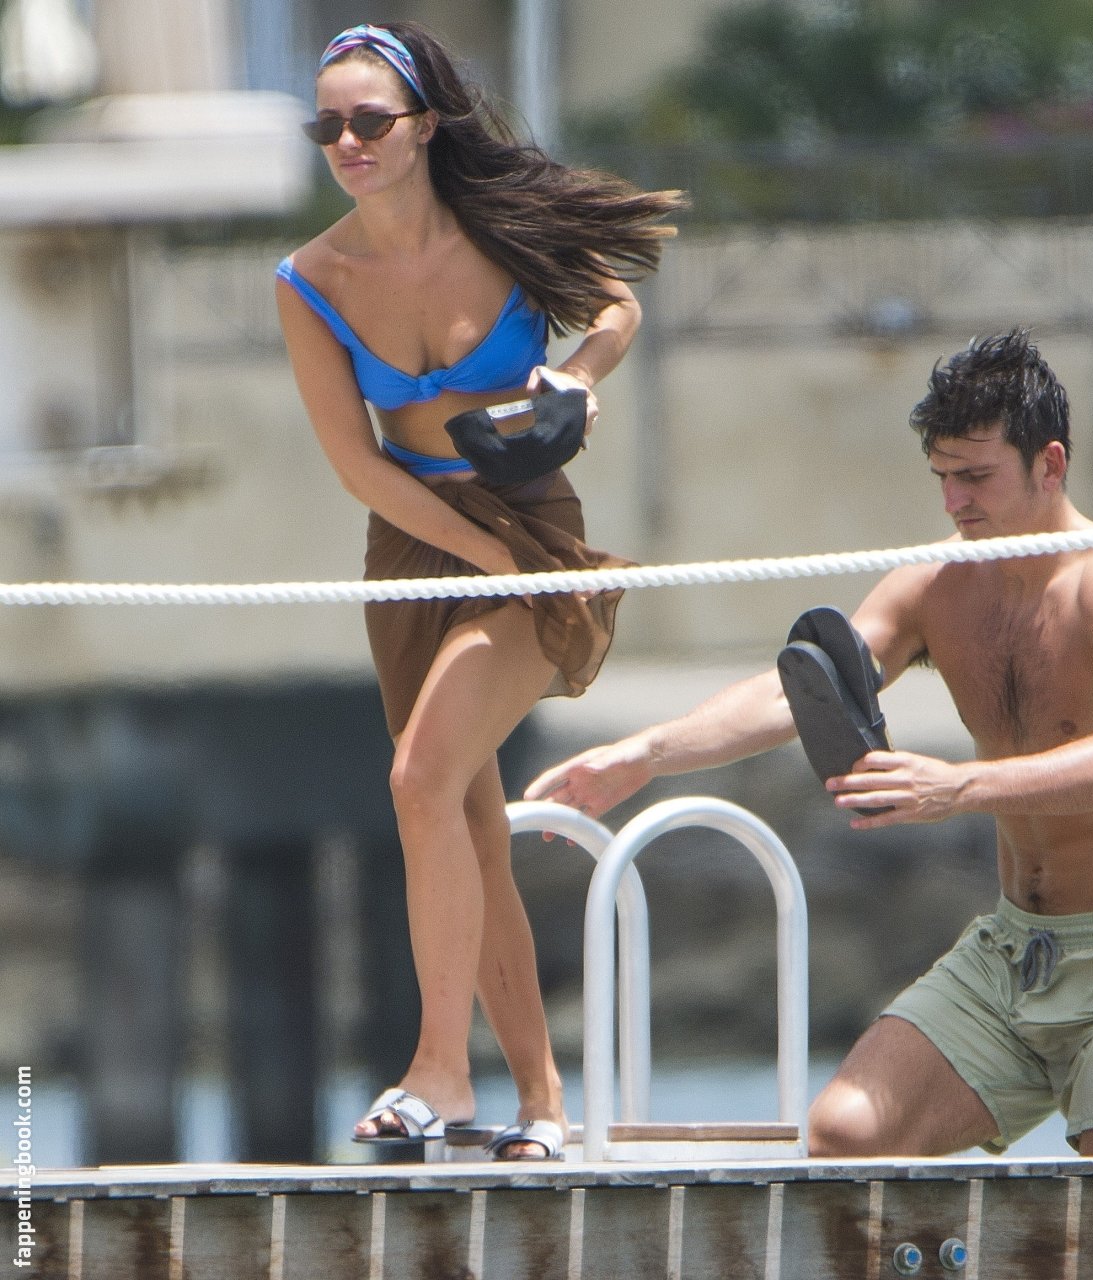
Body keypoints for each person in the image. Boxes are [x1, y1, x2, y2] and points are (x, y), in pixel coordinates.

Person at [526, 329, 1093, 1159]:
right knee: (846, 1136)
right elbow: (798, 692)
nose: (954, 502)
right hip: (1015, 949)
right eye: (942, 477)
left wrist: (956, 789)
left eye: (976, 477)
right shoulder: (936, 583)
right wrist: (643, 755)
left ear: (1049, 465)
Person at [276, 21, 681, 1157]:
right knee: (459, 815)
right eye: (327, 125)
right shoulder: (310, 280)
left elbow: (616, 307)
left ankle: (437, 1070)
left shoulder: (501, 228)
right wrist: (471, 552)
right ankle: (542, 1102)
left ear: (424, 126)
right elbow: (359, 466)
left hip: (529, 524)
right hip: (411, 548)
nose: (347, 142)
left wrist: (577, 376)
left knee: (418, 776)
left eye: (369, 120)